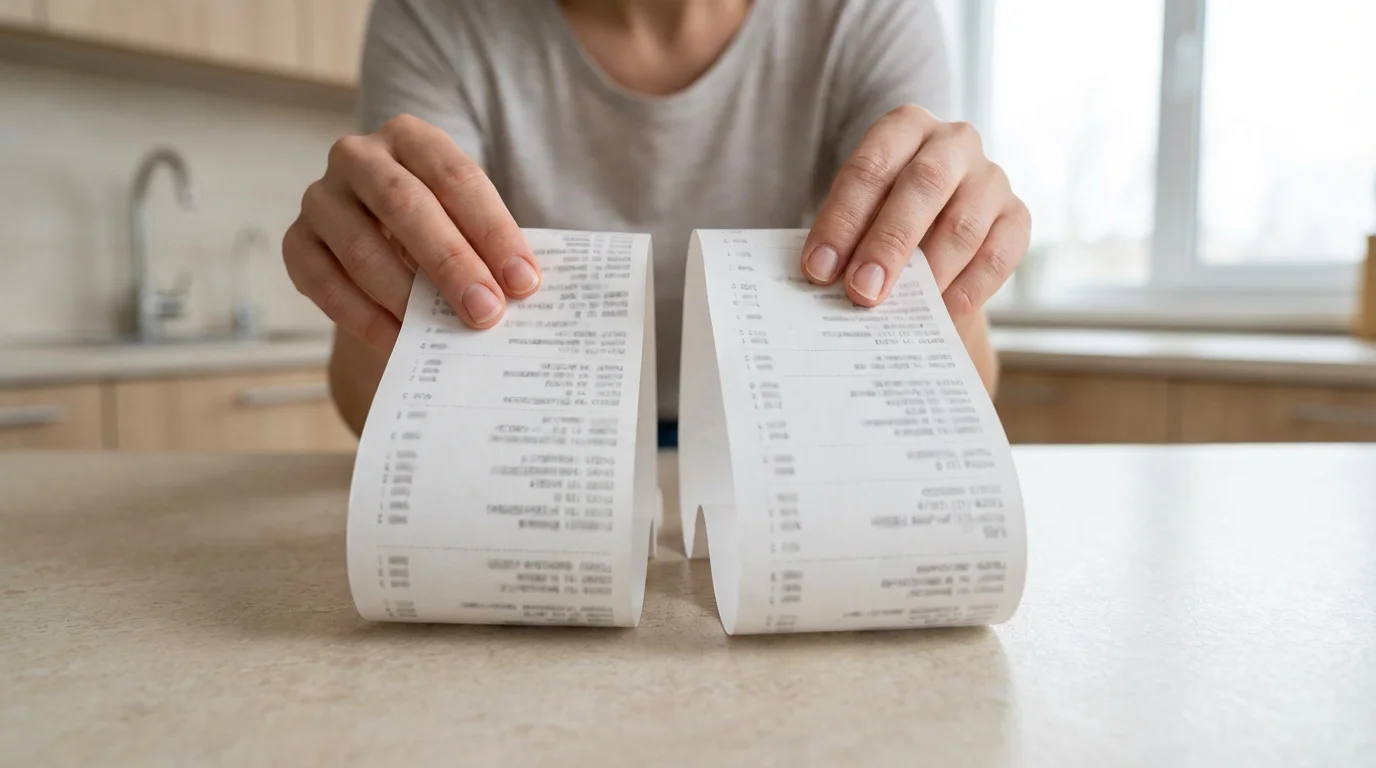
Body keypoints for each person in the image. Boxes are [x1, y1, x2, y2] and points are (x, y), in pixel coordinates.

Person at [283, 0, 1030, 437]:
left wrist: (942, 283)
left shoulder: (868, 15)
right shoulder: (436, 17)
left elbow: (970, 380)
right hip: (530, 443)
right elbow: (367, 403)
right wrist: (372, 268)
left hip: (793, 441)